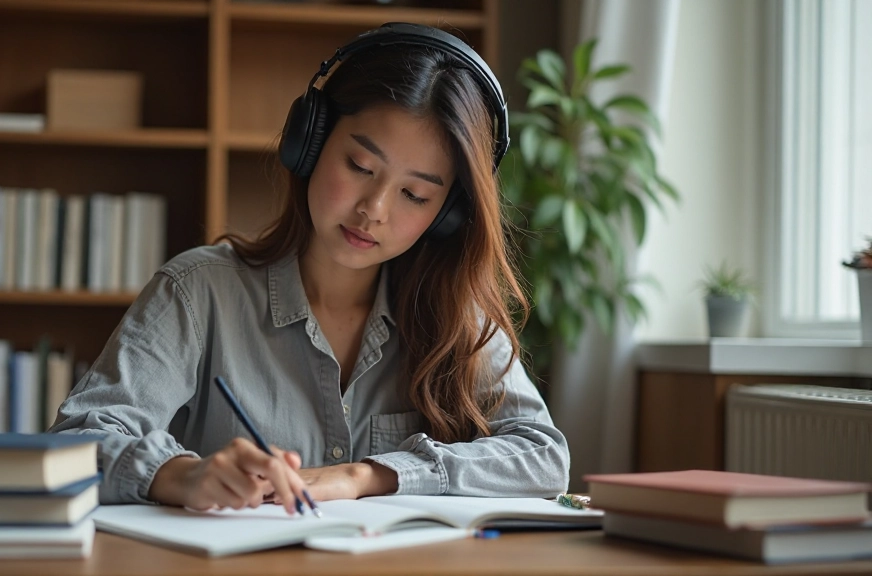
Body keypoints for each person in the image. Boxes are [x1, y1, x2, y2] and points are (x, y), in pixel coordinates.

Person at [50, 22, 570, 515]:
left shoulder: (456, 315)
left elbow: (543, 455)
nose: (374, 209)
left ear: (447, 213)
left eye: (415, 194)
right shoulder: (196, 292)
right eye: (360, 167)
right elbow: (76, 441)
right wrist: (180, 474)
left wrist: (368, 475)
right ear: (311, 142)